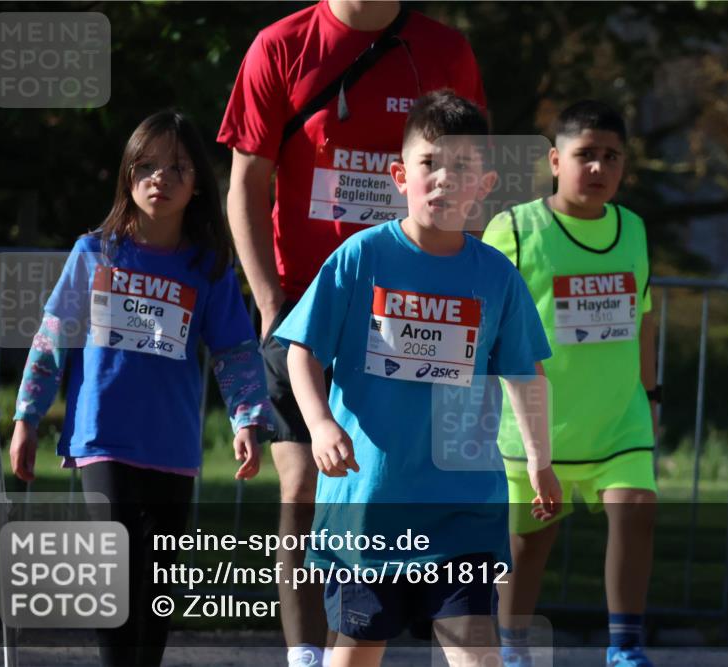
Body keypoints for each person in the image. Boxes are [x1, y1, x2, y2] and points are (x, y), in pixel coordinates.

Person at [216, 3, 485, 662]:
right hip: (305, 310)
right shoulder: (281, 46)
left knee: (393, 484)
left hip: (412, 313)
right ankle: (306, 654)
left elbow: (469, 177)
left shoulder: (445, 51)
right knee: (303, 487)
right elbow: (246, 186)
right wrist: (270, 301)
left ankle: (355, 647)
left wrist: (463, 287)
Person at [271, 90, 561, 667]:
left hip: (463, 510)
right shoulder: (361, 257)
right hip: (369, 509)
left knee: (477, 649)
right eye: (430, 163)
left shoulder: (497, 276)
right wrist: (321, 424)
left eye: (462, 167)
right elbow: (301, 352)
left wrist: (539, 459)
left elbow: (526, 374)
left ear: (484, 186)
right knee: (358, 651)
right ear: (401, 176)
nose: (445, 179)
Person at [8, 110, 272, 667]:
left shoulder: (209, 267)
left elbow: (235, 350)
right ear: (128, 173)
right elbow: (51, 340)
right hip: (101, 438)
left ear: (197, 183)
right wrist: (27, 418)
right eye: (148, 165)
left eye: (178, 167)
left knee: (156, 587)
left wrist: (248, 418)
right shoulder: (93, 253)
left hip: (172, 447)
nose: (161, 178)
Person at [482, 100, 660, 667]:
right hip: (537, 426)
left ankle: (625, 648)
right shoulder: (514, 228)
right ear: (556, 161)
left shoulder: (633, 228)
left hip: (619, 419)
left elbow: (645, 318)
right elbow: (485, 318)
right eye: (586, 154)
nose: (599, 167)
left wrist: (652, 395)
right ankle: (512, 650)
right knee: (528, 545)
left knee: (636, 513)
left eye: (612, 156)